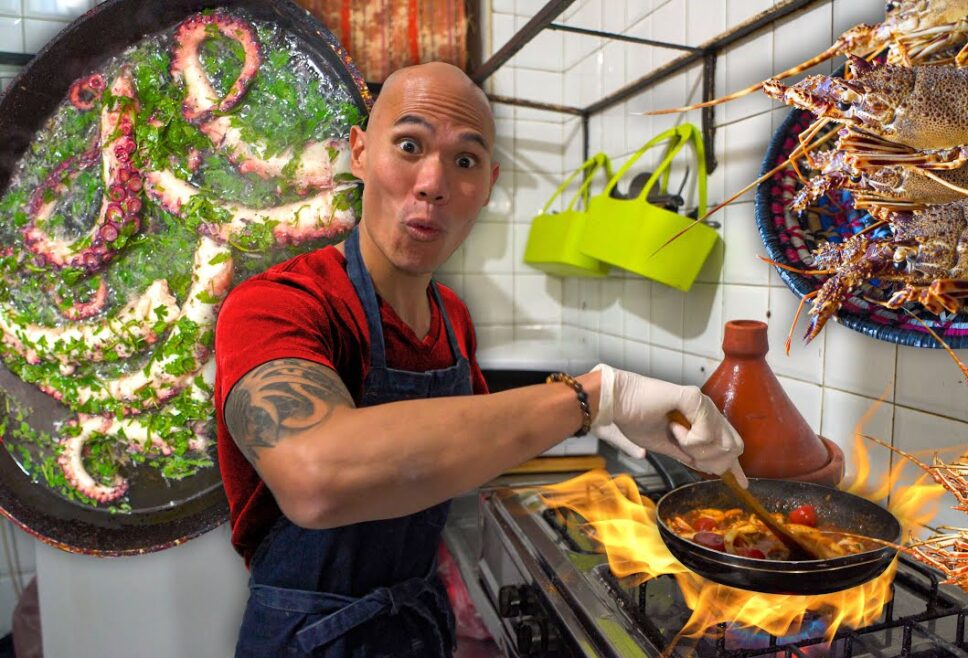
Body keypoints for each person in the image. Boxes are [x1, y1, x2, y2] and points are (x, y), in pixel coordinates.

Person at [213, 61, 748, 658]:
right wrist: (593, 398)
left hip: (420, 626)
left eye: (464, 161)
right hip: (309, 640)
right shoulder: (278, 304)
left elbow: (450, 444)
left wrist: (598, 419)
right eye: (409, 145)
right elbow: (317, 477)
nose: (433, 182)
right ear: (360, 153)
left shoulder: (452, 318)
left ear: (488, 183)